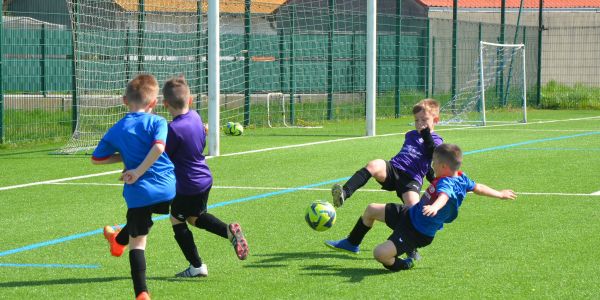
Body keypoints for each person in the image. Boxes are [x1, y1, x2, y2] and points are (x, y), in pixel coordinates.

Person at [325, 143, 517, 271]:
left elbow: (444, 196)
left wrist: (435, 207)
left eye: (433, 162)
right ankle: (352, 243)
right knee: (371, 210)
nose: (431, 165)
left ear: (441, 166)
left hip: (417, 232)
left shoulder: (446, 183)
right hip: (411, 214)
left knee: (380, 254)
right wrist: (499, 194)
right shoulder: (461, 176)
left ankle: (405, 263)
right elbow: (479, 188)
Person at [92, 74, 175, 300]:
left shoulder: (117, 128)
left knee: (138, 240)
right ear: (154, 103)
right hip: (168, 188)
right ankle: (117, 241)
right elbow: (158, 147)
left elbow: (97, 159)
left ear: (124, 100)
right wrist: (138, 165)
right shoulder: (158, 121)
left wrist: (134, 168)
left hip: (139, 190)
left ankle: (141, 293)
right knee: (149, 221)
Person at [162, 76, 248, 278]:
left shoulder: (172, 130)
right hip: (204, 179)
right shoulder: (195, 117)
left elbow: (163, 155)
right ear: (190, 100)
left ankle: (197, 266)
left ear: (165, 104)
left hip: (187, 185)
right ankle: (229, 231)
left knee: (176, 218)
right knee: (194, 217)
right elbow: (198, 141)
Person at [332, 98, 443, 210]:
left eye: (424, 120)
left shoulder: (436, 140)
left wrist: (433, 180)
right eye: (416, 120)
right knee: (374, 165)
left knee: (413, 210)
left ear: (436, 120)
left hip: (411, 179)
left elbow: (432, 154)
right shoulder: (410, 135)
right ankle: (345, 193)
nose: (420, 124)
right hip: (394, 169)